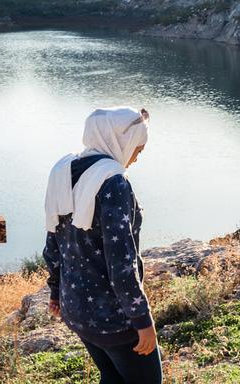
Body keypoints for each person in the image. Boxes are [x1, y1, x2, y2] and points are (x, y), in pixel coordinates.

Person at [41, 106, 161, 384]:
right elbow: (122, 265)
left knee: (111, 376)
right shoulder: (113, 183)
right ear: (122, 141)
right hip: (114, 318)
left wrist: (56, 292)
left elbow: (53, 243)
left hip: (77, 309)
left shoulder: (63, 171)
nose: (135, 159)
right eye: (137, 150)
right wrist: (142, 321)